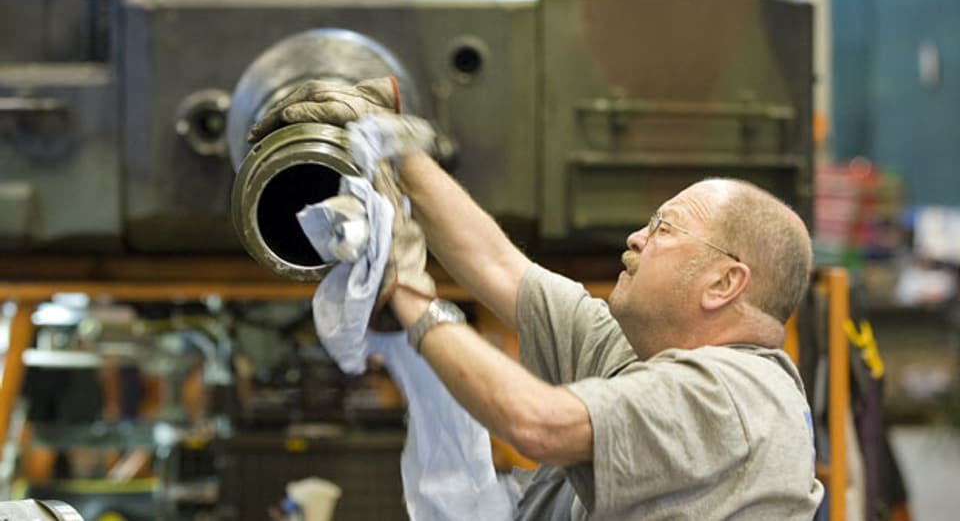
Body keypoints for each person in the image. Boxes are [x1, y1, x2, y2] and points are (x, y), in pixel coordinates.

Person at [249, 79, 824, 520]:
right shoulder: (640, 354)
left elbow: (537, 424)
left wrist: (412, 296)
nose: (636, 237)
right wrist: (393, 146)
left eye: (665, 228)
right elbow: (500, 266)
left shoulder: (732, 396)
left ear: (724, 284)